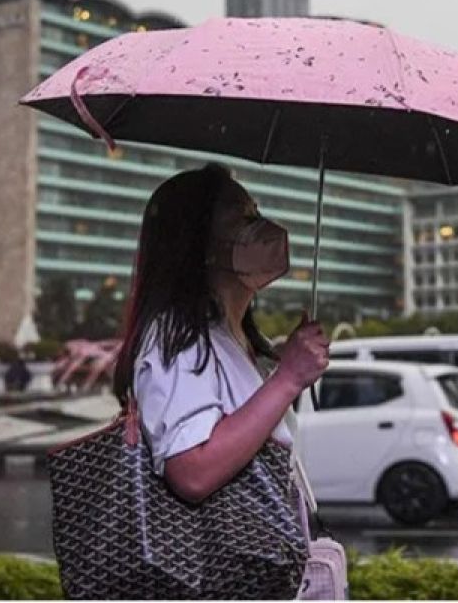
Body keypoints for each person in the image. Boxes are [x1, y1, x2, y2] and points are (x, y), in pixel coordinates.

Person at [109, 163, 329, 577]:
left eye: (257, 212)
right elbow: (192, 470)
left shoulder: (231, 340)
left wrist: (284, 373)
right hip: (219, 577)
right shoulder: (178, 336)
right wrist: (287, 380)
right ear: (199, 242)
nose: (262, 227)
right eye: (244, 217)